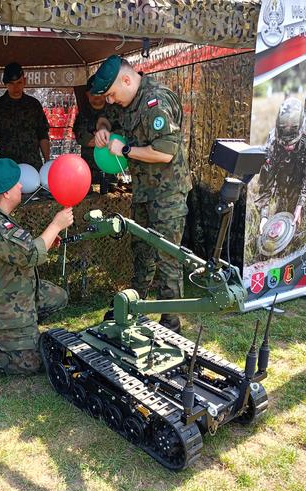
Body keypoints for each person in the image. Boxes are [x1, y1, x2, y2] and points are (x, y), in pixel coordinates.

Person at [92, 56, 192, 334]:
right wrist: (102, 129)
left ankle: (171, 322)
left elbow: (164, 152)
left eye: (112, 94)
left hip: (168, 193)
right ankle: (135, 307)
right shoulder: (127, 99)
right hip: (145, 191)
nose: (111, 101)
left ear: (126, 80)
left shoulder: (155, 102)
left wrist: (124, 151)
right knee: (141, 251)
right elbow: (107, 116)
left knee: (167, 256)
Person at [0, 159, 73, 380]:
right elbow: (31, 255)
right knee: (31, 362)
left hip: (14, 291)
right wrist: (56, 225)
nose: (21, 186)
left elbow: (21, 249)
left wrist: (46, 240)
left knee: (59, 297)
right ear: (6, 193)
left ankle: (19, 335)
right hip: (0, 307)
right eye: (16, 184)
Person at [255, 97, 306, 234]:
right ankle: (288, 204)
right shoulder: (273, 142)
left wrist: (300, 204)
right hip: (287, 181)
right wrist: (263, 217)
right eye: (285, 144)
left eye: (292, 143)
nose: (288, 147)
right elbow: (265, 185)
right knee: (284, 223)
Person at [0, 62, 51, 169]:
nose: (16, 88)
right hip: (8, 167)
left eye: (19, 82)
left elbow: (42, 134)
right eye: (11, 84)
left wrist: (47, 161)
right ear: (5, 84)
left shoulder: (34, 105)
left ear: (25, 81)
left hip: (32, 165)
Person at [72, 74, 119, 192]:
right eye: (93, 93)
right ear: (87, 94)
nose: (97, 96)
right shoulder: (83, 114)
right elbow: (83, 139)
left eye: (100, 92)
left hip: (111, 171)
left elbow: (122, 136)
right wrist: (110, 137)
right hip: (89, 174)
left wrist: (97, 137)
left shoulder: (115, 111)